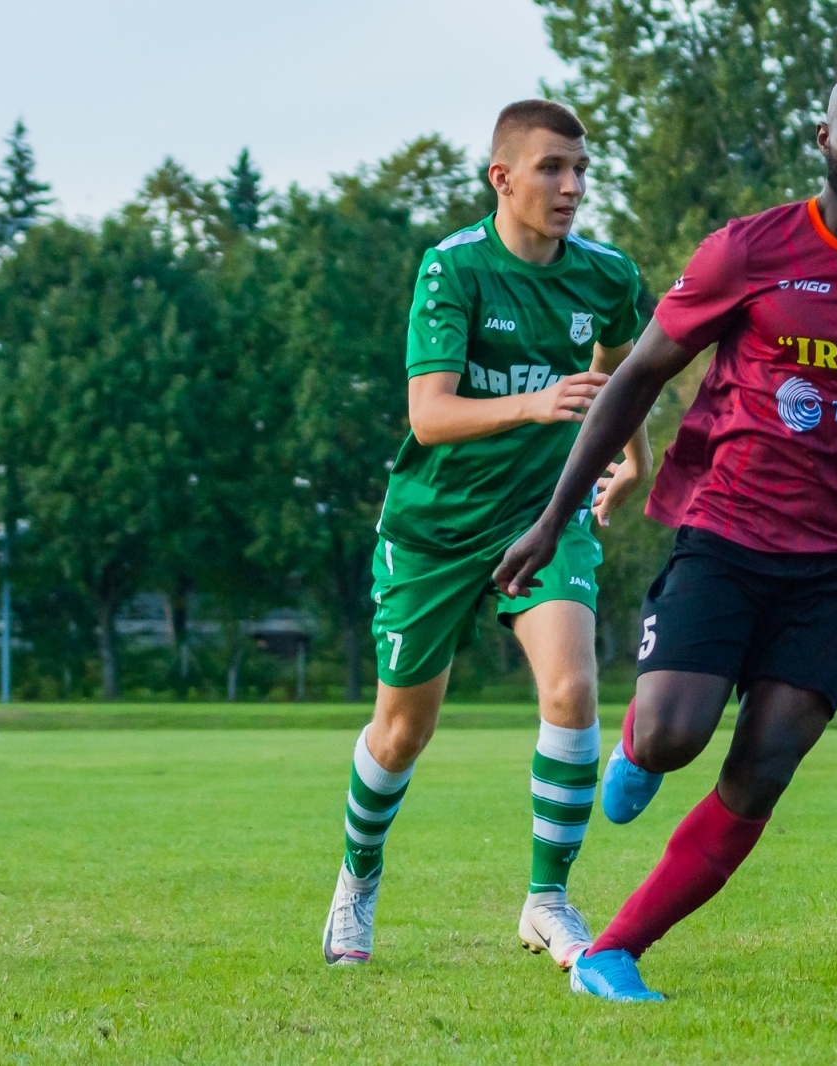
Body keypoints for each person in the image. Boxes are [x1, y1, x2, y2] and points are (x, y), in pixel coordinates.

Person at [496, 64, 837, 1002]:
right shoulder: (747, 251)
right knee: (678, 733)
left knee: (763, 769)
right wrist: (554, 516)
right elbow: (638, 377)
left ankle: (614, 951)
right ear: (826, 138)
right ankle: (640, 747)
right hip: (727, 531)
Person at [322, 99, 651, 970]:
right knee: (401, 732)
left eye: (580, 168)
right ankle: (357, 879)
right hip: (433, 530)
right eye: (552, 168)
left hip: (545, 519)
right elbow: (427, 417)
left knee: (574, 692)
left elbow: (626, 373)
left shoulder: (608, 276)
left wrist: (635, 458)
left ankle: (548, 900)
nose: (572, 185)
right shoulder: (452, 270)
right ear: (501, 178)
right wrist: (537, 402)